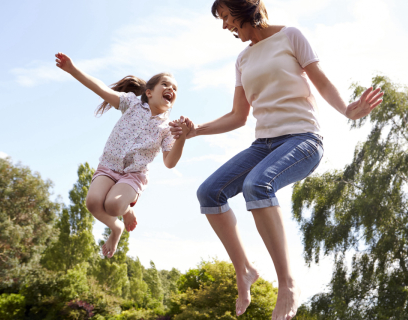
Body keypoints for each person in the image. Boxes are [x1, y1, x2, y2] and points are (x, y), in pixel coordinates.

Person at [169, 0, 384, 319]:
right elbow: (238, 116)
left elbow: (320, 81)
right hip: (264, 144)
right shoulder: (242, 59)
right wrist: (194, 131)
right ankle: (244, 271)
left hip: (303, 139)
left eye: (226, 17)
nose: (225, 25)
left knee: (258, 184)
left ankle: (288, 285)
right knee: (209, 192)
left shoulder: (291, 36)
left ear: (243, 8)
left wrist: (348, 110)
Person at [55, 52, 190, 258]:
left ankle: (124, 210)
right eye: (165, 84)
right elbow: (100, 88)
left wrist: (181, 138)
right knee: (92, 202)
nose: (171, 89)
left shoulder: (167, 128)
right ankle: (117, 227)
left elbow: (170, 163)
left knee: (113, 205)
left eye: (175, 88)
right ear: (149, 92)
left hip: (133, 175)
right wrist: (73, 69)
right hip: (109, 167)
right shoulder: (131, 103)